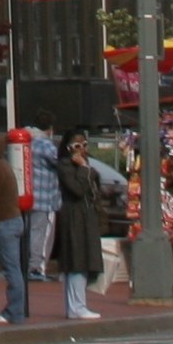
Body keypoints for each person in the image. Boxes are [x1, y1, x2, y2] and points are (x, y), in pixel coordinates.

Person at [51, 130, 107, 322]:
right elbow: (77, 189)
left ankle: (76, 305)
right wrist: (83, 168)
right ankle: (77, 306)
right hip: (74, 215)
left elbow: (94, 186)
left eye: (84, 145)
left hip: (85, 214)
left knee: (82, 260)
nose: (81, 150)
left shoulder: (86, 165)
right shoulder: (65, 166)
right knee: (77, 260)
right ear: (68, 149)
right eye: (77, 146)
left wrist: (86, 168)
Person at [0, 118, 28, 323]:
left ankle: (14, 311)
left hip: (4, 221)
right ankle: (17, 309)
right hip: (16, 219)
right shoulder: (6, 165)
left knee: (11, 269)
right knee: (15, 267)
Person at [26, 126, 60, 282]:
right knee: (43, 234)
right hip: (46, 198)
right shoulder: (45, 145)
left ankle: (28, 265)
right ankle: (37, 268)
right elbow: (60, 161)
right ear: (49, 129)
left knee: (30, 232)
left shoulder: (27, 142)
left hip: (29, 197)